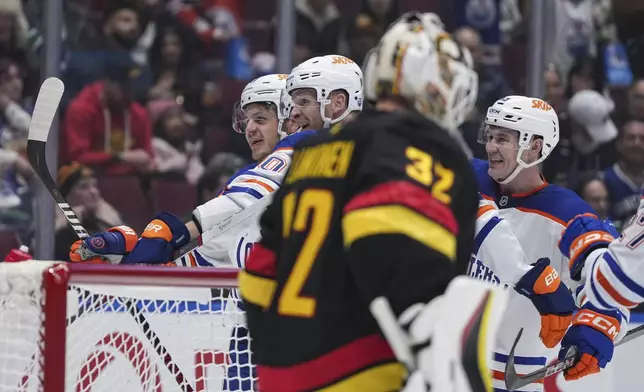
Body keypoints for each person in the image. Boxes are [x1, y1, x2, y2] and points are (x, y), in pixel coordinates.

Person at [239, 12, 508, 392]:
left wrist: (280, 348)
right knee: (464, 303)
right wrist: (430, 346)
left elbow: (259, 272)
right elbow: (384, 234)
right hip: (363, 369)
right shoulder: (420, 146)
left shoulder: (312, 150)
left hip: (279, 372)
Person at [472, 95, 629, 384]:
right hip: (446, 360)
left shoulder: (569, 213)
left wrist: (600, 321)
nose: (491, 146)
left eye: (503, 138)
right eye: (490, 135)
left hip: (510, 375)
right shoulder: (468, 177)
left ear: (534, 147)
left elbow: (611, 275)